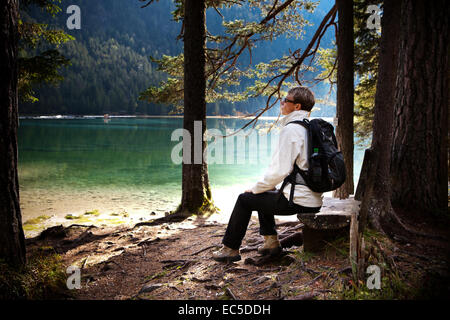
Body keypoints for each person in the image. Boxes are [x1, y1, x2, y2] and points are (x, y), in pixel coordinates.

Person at [212, 86, 323, 262]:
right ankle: (271, 243)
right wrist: (261, 188)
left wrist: (255, 189)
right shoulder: (310, 127)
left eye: (286, 100)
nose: (282, 103)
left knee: (244, 199)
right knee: (264, 192)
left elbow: (280, 170)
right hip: (314, 199)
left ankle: (230, 249)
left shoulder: (292, 130)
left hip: (299, 201)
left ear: (297, 107)